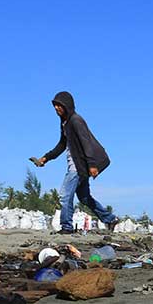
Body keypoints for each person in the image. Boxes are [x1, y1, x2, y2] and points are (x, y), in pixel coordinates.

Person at [31, 91, 118, 234]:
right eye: (55, 105)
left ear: (67, 106)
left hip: (78, 167)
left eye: (59, 105)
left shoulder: (76, 120)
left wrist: (92, 165)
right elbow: (61, 145)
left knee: (65, 195)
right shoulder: (65, 123)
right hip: (79, 166)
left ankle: (66, 227)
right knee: (84, 198)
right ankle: (110, 219)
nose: (56, 108)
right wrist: (45, 158)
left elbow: (87, 142)